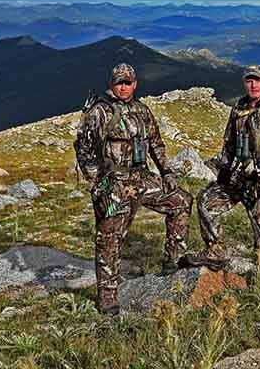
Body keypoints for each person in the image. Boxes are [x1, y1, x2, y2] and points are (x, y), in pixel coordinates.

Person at [74, 63, 193, 315]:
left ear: (135, 84)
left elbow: (156, 144)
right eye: (119, 82)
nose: (124, 86)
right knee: (110, 236)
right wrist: (96, 183)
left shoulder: (142, 111)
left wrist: (167, 172)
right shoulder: (100, 112)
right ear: (111, 84)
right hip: (113, 181)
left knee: (181, 200)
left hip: (141, 178)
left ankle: (173, 261)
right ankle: (108, 296)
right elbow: (83, 148)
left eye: (128, 82)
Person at [183, 65, 260, 270]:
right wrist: (224, 168)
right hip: (242, 173)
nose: (253, 84)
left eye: (257, 80)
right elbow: (229, 142)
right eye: (249, 80)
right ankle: (215, 251)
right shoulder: (239, 108)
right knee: (207, 200)